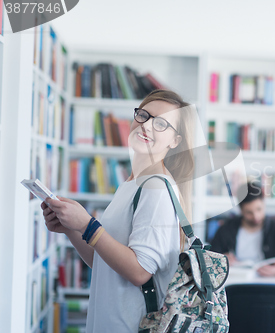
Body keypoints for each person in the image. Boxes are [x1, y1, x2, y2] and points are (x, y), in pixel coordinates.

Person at [41, 89, 196, 332]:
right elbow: (104, 262)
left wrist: (87, 225)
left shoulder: (156, 187)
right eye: (144, 115)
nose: (146, 126)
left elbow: (139, 272)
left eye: (161, 124)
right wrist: (71, 229)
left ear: (175, 141)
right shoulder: (132, 184)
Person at [210, 181, 275, 276]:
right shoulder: (226, 229)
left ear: (264, 203)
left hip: (267, 283)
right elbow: (208, 261)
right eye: (249, 212)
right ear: (241, 210)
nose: (256, 217)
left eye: (259, 209)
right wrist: (221, 261)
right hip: (235, 283)